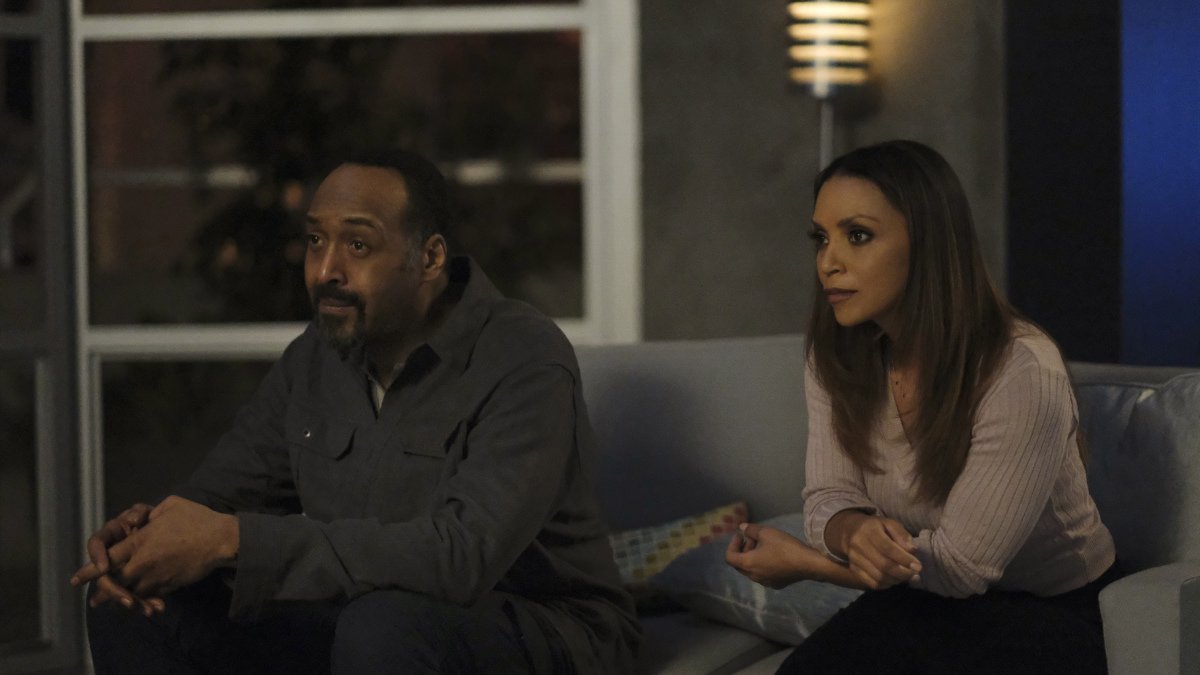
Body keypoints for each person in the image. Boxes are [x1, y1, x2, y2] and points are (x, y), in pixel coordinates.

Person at [70, 149, 640, 674]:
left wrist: (234, 539)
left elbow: (463, 557)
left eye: (358, 246)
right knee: (132, 602)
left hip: (538, 624)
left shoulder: (524, 356)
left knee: (385, 625)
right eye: (317, 241)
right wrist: (150, 536)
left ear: (429, 257)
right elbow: (218, 499)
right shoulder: (314, 359)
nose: (325, 271)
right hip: (361, 616)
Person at [725, 140, 1119, 674]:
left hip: (1053, 614)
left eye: (857, 236)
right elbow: (828, 496)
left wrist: (807, 564)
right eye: (821, 238)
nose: (828, 263)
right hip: (923, 599)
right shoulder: (835, 353)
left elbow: (961, 569)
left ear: (928, 244)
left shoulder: (1022, 371)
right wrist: (853, 531)